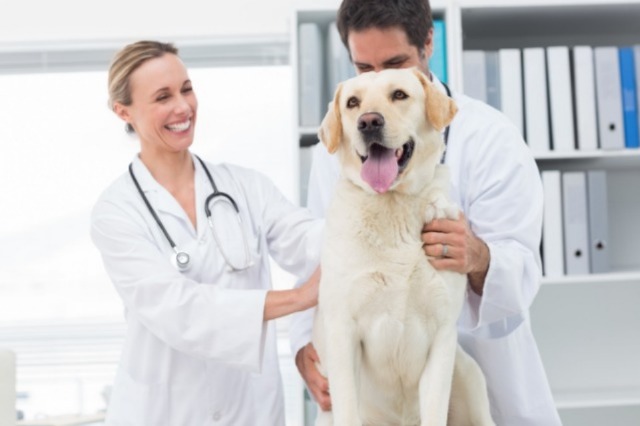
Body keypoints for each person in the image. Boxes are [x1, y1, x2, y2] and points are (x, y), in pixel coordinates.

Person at [289, 1, 562, 425]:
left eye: (396, 64)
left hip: (479, 375)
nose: (374, 108)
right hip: (373, 395)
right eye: (364, 68)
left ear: (428, 42)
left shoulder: (492, 138)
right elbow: (319, 259)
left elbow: (524, 271)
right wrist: (304, 346)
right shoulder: (340, 147)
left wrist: (477, 256)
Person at [91, 40, 322, 426]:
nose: (183, 107)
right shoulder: (116, 212)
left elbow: (307, 240)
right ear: (123, 111)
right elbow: (180, 310)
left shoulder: (246, 187)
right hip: (162, 414)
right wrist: (299, 297)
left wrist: (373, 231)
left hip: (250, 411)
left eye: (186, 88)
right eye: (162, 97)